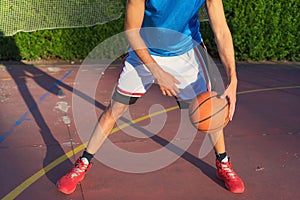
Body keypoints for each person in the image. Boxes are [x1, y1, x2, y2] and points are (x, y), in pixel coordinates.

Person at [57, 0, 245, 195]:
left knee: (211, 109)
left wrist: (233, 79)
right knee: (115, 109)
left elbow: (221, 30)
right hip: (144, 51)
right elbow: (131, 31)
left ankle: (223, 163)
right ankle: (84, 162)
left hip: (187, 52)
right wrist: (157, 72)